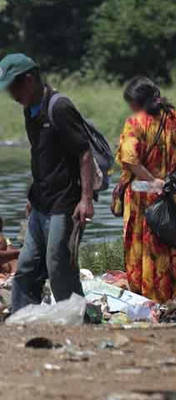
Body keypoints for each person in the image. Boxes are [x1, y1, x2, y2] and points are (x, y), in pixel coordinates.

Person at [1, 54, 95, 312]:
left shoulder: (59, 107)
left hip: (65, 201)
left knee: (58, 263)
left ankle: (73, 317)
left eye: (14, 87)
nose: (12, 95)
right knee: (28, 263)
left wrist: (86, 199)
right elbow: (39, 154)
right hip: (41, 199)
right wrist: (32, 195)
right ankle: (22, 316)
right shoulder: (29, 110)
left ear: (29, 80)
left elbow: (84, 153)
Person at [116, 76, 176, 306]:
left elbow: (130, 160)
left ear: (135, 102)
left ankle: (150, 298)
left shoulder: (136, 123)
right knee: (174, 244)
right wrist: (174, 178)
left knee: (147, 248)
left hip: (145, 196)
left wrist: (154, 182)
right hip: (174, 193)